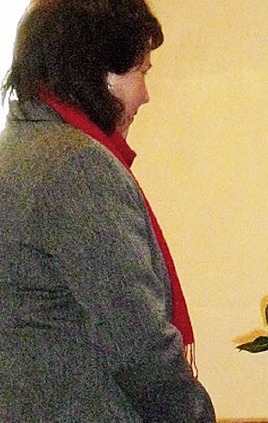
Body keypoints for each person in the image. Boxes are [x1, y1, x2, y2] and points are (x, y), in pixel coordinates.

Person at [0, 0, 215, 421]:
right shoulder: (76, 165)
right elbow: (139, 342)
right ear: (95, 72)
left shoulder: (16, 152)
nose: (146, 95)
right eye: (141, 72)